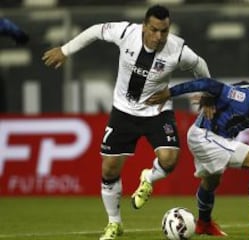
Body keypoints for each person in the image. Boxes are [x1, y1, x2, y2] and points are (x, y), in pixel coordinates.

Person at [42, 5, 210, 240]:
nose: (159, 36)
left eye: (164, 31)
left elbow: (200, 65)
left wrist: (208, 94)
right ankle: (114, 223)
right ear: (144, 26)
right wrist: (65, 50)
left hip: (157, 111)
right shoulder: (125, 33)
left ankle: (148, 178)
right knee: (109, 168)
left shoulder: (177, 49)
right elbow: (95, 31)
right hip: (123, 112)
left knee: (170, 160)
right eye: (154, 30)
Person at [146, 78, 249, 238]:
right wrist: (170, 93)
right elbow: (207, 83)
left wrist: (211, 98)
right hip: (206, 136)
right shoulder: (248, 100)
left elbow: (242, 84)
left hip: (210, 136)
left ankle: (203, 224)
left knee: (212, 180)